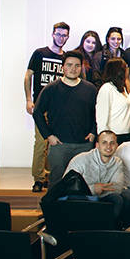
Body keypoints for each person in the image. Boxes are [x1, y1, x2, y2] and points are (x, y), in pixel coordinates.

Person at [33, 50, 98, 188]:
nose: (73, 69)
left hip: (84, 145)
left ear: (81, 67)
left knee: (84, 183)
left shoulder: (91, 89)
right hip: (59, 145)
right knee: (56, 182)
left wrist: (93, 132)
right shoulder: (51, 89)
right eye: (69, 65)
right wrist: (48, 135)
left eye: (77, 65)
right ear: (62, 67)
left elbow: (97, 114)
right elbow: (37, 112)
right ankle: (53, 210)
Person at [25, 21, 70, 192]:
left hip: (59, 109)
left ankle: (50, 177)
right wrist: (29, 99)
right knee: (40, 143)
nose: (61, 37)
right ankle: (38, 178)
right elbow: (28, 76)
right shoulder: (40, 53)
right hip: (41, 107)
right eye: (58, 34)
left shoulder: (66, 58)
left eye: (64, 35)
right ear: (52, 34)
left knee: (55, 145)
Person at [64, 130, 125, 218]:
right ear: (97, 145)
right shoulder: (81, 159)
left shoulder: (117, 162)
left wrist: (101, 189)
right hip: (81, 198)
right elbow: (66, 187)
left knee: (117, 198)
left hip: (103, 197)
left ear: (116, 146)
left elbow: (118, 187)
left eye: (112, 143)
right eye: (104, 142)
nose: (108, 146)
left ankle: (109, 229)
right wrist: (92, 188)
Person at [95, 57, 130, 143]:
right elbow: (102, 117)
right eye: (125, 67)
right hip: (116, 137)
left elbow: (125, 105)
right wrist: (103, 139)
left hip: (129, 135)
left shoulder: (121, 88)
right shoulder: (106, 88)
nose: (128, 69)